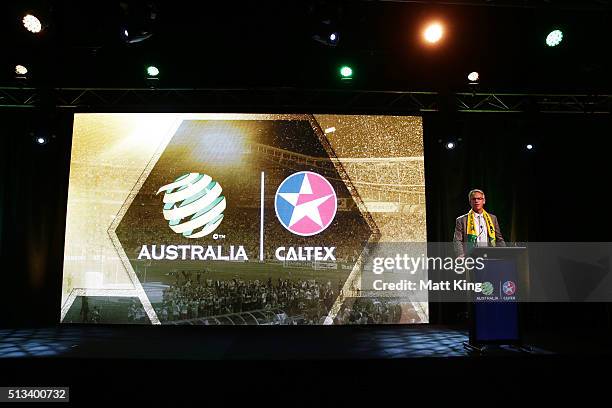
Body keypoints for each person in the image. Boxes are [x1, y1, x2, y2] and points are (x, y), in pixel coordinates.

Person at [453, 189, 505, 257]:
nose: (476, 201)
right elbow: (457, 240)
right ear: (470, 202)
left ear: (484, 201)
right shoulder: (461, 220)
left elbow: (499, 239)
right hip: (470, 256)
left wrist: (505, 253)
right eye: (473, 199)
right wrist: (461, 255)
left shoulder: (492, 218)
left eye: (479, 198)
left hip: (489, 255)